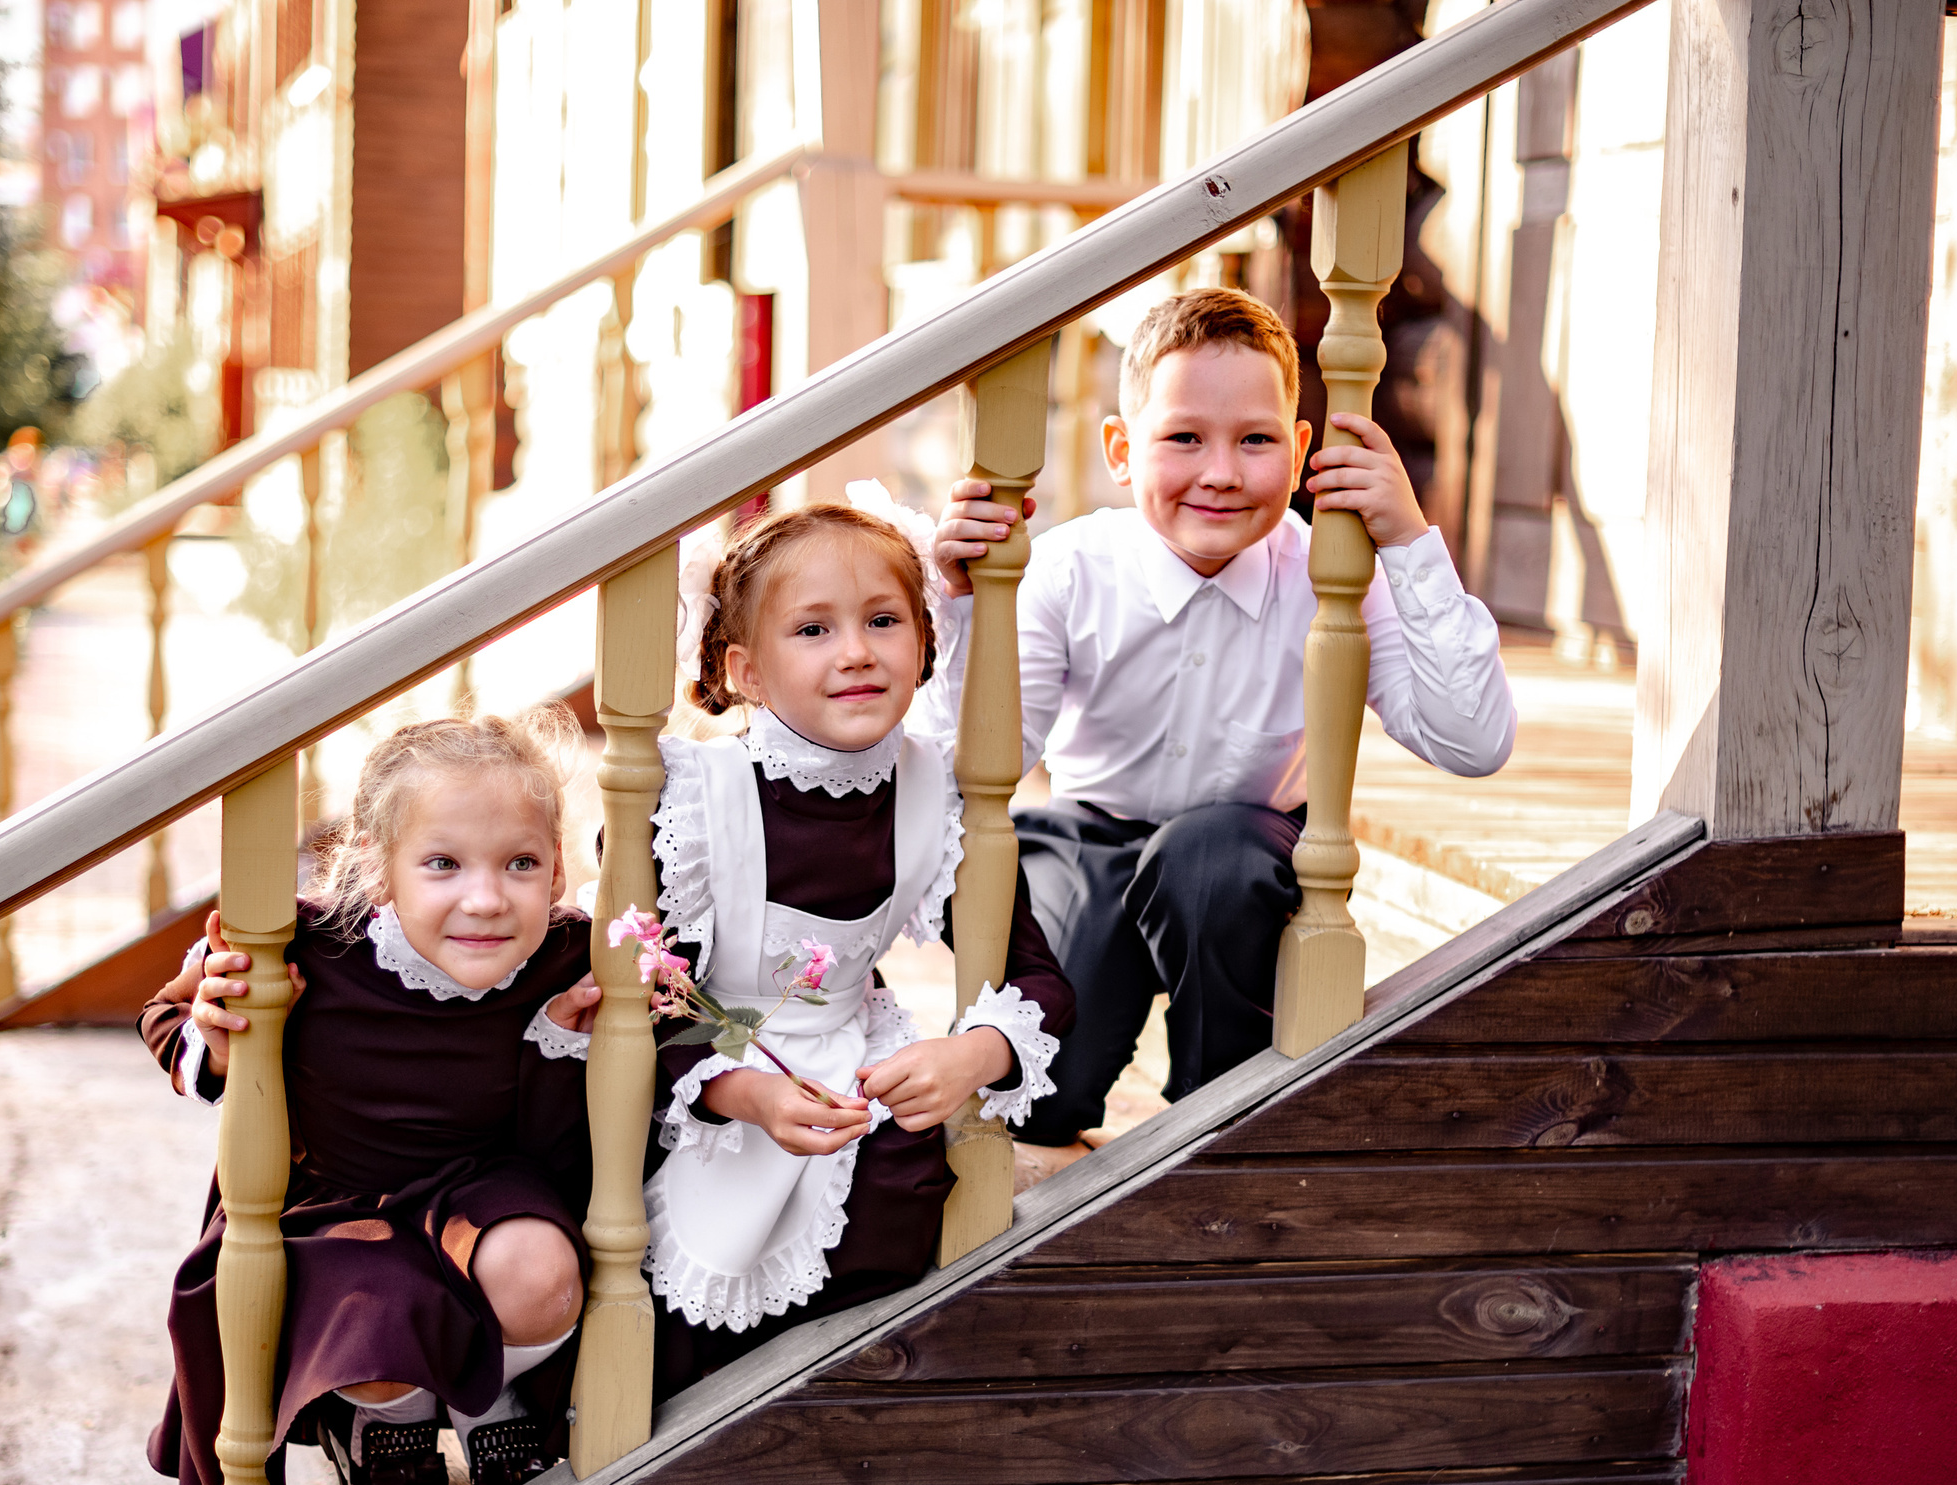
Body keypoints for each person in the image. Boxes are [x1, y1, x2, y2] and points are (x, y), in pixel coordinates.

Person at [910, 287, 1516, 1168]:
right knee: (1046, 1096)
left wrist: (1410, 540)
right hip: (1090, 842)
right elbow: (964, 772)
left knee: (1211, 855)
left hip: (1241, 857)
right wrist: (960, 612)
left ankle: (1219, 1109)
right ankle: (1071, 1057)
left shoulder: (1331, 571)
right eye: (1184, 437)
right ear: (1122, 451)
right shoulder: (1072, 571)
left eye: (1257, 439)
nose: (1222, 472)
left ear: (1301, 448)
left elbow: (1474, 738)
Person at [137, 713, 604, 1485]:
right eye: (443, 864)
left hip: (483, 1189)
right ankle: (377, 1421)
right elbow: (168, 1012)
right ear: (376, 870)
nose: (487, 897)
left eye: (521, 863)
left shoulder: (569, 954)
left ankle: (490, 1401)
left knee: (541, 1271)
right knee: (376, 1313)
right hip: (343, 1203)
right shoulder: (311, 945)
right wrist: (209, 1033)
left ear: (559, 868)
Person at [644, 502, 1076, 1394]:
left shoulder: (939, 792)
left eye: (884, 620)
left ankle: (839, 1399)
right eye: (814, 629)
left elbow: (1038, 977)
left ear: (923, 642)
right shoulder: (694, 798)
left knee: (898, 1172)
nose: (856, 651)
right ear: (747, 671)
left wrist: (976, 1050)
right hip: (712, 1079)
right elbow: (648, 1007)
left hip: (849, 1058)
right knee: (685, 1262)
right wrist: (746, 1090)